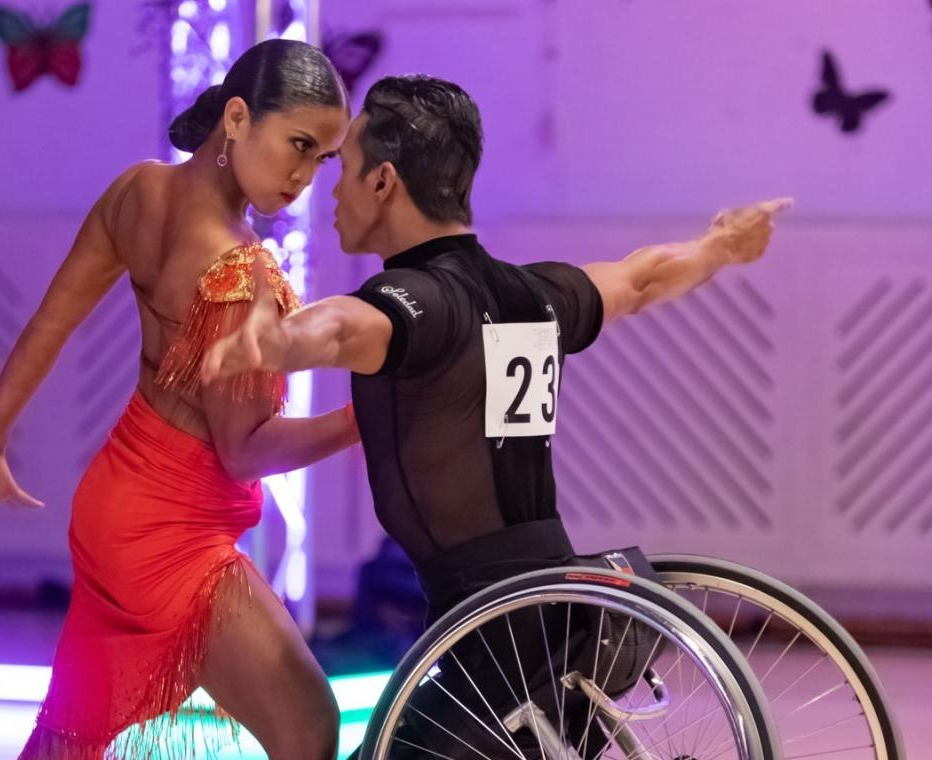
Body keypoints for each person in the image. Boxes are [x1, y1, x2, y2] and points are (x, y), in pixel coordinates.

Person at [203, 74, 791, 757]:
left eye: (346, 169)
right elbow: (640, 278)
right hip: (562, 610)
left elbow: (342, 329)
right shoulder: (531, 292)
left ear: (384, 182)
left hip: (490, 637)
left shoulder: (414, 299)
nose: (331, 189)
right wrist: (720, 247)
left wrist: (283, 340)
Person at [0, 39, 359, 760]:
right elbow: (246, 453)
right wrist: (359, 418)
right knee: (308, 723)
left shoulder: (138, 191)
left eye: (324, 160)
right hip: (169, 535)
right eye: (300, 146)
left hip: (112, 506)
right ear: (239, 118)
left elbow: (49, 323)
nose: (305, 176)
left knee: (66, 742)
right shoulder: (238, 271)